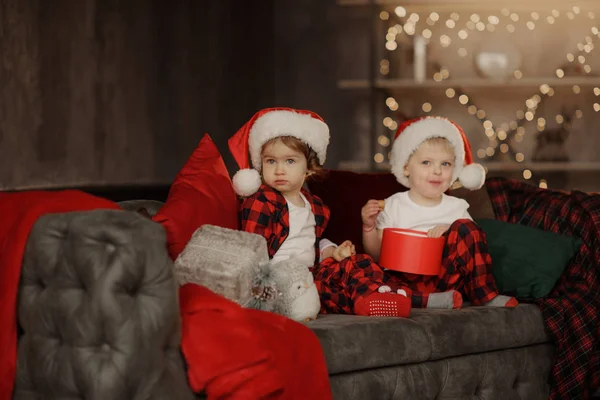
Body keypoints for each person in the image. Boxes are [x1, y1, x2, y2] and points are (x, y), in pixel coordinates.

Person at [228, 107, 411, 317]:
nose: (279, 170)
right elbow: (252, 248)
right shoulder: (262, 200)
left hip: (312, 272)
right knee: (318, 292)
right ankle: (362, 301)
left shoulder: (314, 206)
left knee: (355, 263)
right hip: (279, 277)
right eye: (271, 161)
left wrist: (333, 252)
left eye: (290, 161)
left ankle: (381, 295)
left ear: (309, 168)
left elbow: (311, 242)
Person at [361, 116, 518, 309]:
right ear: (406, 167)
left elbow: (474, 244)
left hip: (446, 277)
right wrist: (368, 226)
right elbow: (377, 254)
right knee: (367, 273)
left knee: (465, 227)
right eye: (426, 162)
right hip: (405, 278)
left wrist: (450, 230)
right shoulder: (393, 205)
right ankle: (426, 300)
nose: (437, 171)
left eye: (445, 164)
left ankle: (484, 294)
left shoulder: (457, 207)